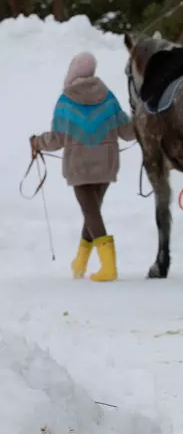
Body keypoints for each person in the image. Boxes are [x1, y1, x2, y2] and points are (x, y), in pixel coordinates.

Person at [30, 52, 136, 282]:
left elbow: (57, 139)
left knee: (90, 211)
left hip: (79, 166)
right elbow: (127, 132)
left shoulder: (66, 100)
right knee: (92, 211)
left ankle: (108, 267)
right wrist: (143, 121)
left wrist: (37, 142)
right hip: (107, 164)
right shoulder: (108, 97)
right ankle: (80, 262)